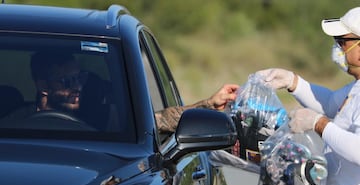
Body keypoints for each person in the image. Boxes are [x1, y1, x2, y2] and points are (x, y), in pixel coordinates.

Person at [256, 7, 360, 185]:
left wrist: (319, 124)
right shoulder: (355, 88)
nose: (337, 47)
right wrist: (293, 82)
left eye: (343, 41)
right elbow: (331, 103)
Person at [30, 51, 239, 132]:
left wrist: (209, 104)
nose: (77, 86)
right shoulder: (14, 119)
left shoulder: (107, 121)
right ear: (43, 86)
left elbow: (160, 120)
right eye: (67, 81)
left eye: (80, 78)